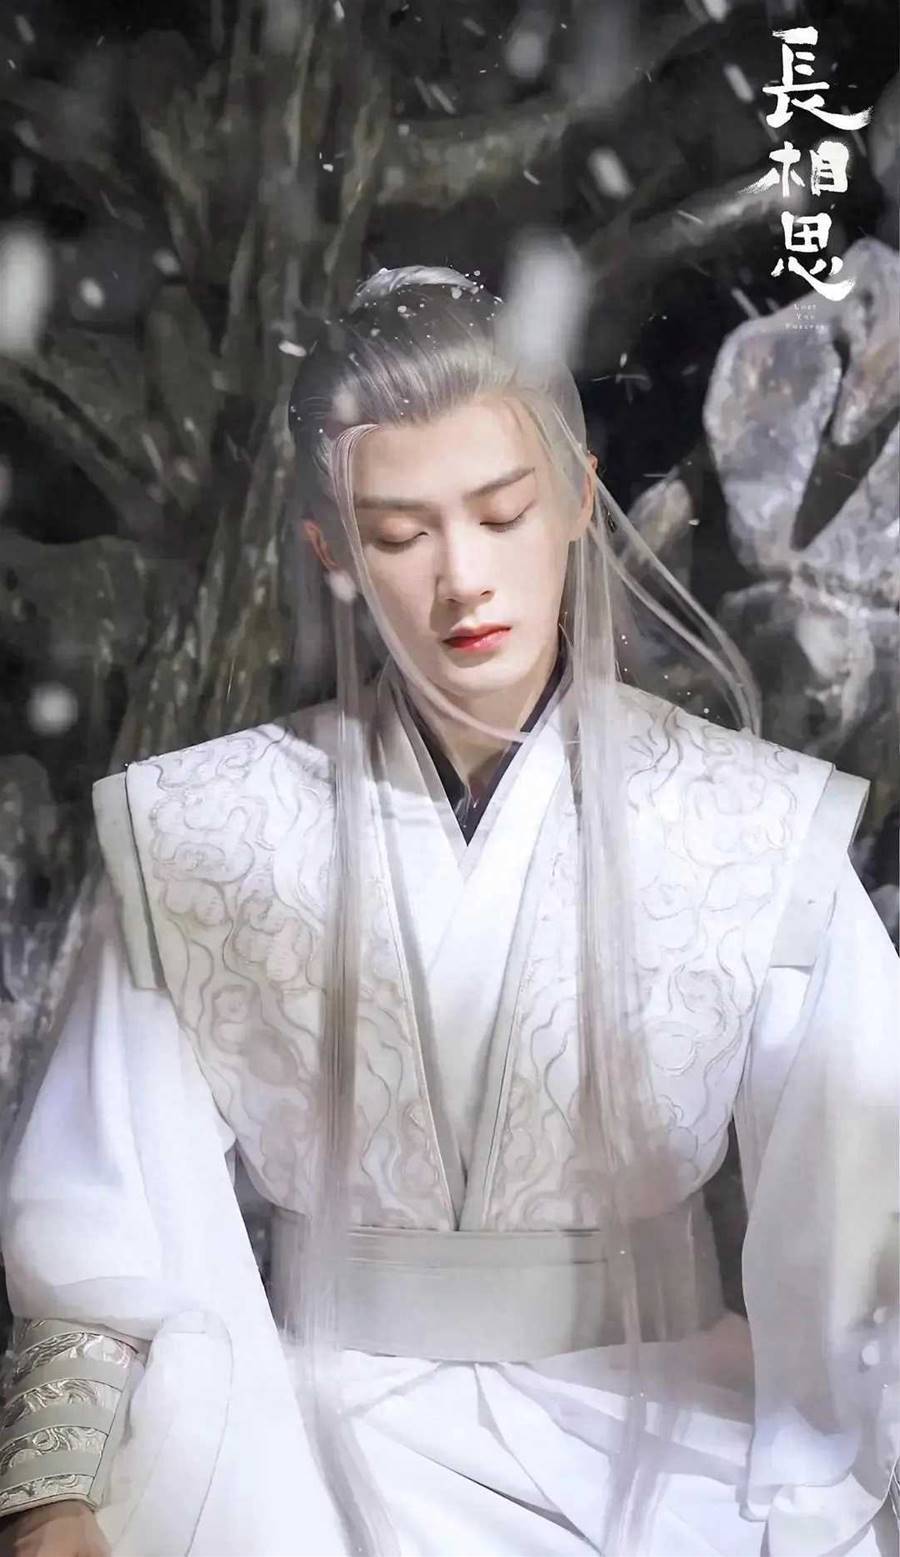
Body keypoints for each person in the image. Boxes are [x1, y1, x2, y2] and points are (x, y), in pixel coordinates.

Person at [0, 266, 896, 1557]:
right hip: (295, 1445)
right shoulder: (204, 829)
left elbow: (872, 1215)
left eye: (502, 510)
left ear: (577, 498)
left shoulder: (750, 829)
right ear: (332, 551)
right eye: (400, 532)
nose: (463, 577)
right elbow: (97, 1235)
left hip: (679, 1435)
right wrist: (54, 1501)